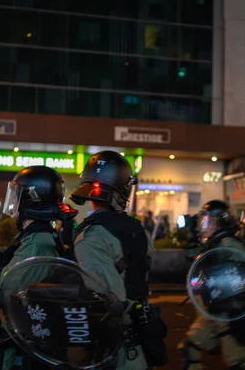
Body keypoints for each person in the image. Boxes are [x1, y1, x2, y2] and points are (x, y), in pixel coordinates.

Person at [0, 165, 78, 370]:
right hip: (18, 344)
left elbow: (2, 292)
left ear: (30, 200)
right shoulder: (33, 237)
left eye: (17, 195)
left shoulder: (38, 242)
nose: (13, 202)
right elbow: (16, 294)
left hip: (22, 355)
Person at [70, 150, 163, 370]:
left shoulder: (90, 237)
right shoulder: (139, 230)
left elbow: (106, 300)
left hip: (110, 350)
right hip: (138, 346)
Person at [179, 200, 245, 370]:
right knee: (190, 349)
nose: (203, 225)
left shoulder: (229, 244)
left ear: (218, 222)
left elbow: (242, 279)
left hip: (229, 312)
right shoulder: (216, 242)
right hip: (214, 310)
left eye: (207, 220)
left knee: (237, 362)